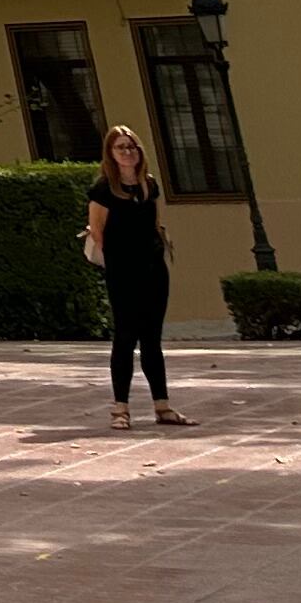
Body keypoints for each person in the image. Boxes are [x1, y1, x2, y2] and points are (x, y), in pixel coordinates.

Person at [85, 125, 189, 432]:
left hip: (153, 269)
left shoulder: (149, 185)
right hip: (123, 272)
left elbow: (154, 222)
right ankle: (121, 409)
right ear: (110, 154)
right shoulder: (104, 189)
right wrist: (118, 263)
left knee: (152, 339)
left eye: (132, 147)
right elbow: (97, 231)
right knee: (125, 337)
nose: (127, 152)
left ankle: (162, 405)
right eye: (120, 147)